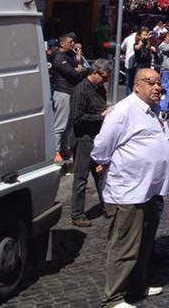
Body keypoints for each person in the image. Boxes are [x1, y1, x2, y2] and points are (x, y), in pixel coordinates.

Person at [92, 68, 169, 308]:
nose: (157, 87)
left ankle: (137, 286)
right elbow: (101, 149)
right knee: (125, 245)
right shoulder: (123, 111)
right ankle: (114, 298)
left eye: (159, 83)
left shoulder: (154, 111)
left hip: (151, 189)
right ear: (136, 85)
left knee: (144, 243)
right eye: (151, 82)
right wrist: (105, 165)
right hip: (128, 191)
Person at [69, 59, 112, 227]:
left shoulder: (99, 88)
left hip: (97, 138)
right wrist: (101, 117)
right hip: (83, 139)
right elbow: (77, 119)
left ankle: (108, 206)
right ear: (94, 73)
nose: (106, 81)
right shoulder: (81, 91)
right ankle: (77, 214)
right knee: (81, 178)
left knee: (101, 175)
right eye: (104, 77)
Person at [50, 33, 86, 161]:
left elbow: (79, 63)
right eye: (70, 42)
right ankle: (55, 151)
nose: (73, 44)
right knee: (60, 124)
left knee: (69, 124)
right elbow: (73, 74)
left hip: (72, 92)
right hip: (62, 92)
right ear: (62, 43)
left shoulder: (69, 55)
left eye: (73, 42)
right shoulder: (58, 57)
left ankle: (64, 149)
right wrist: (79, 70)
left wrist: (79, 51)